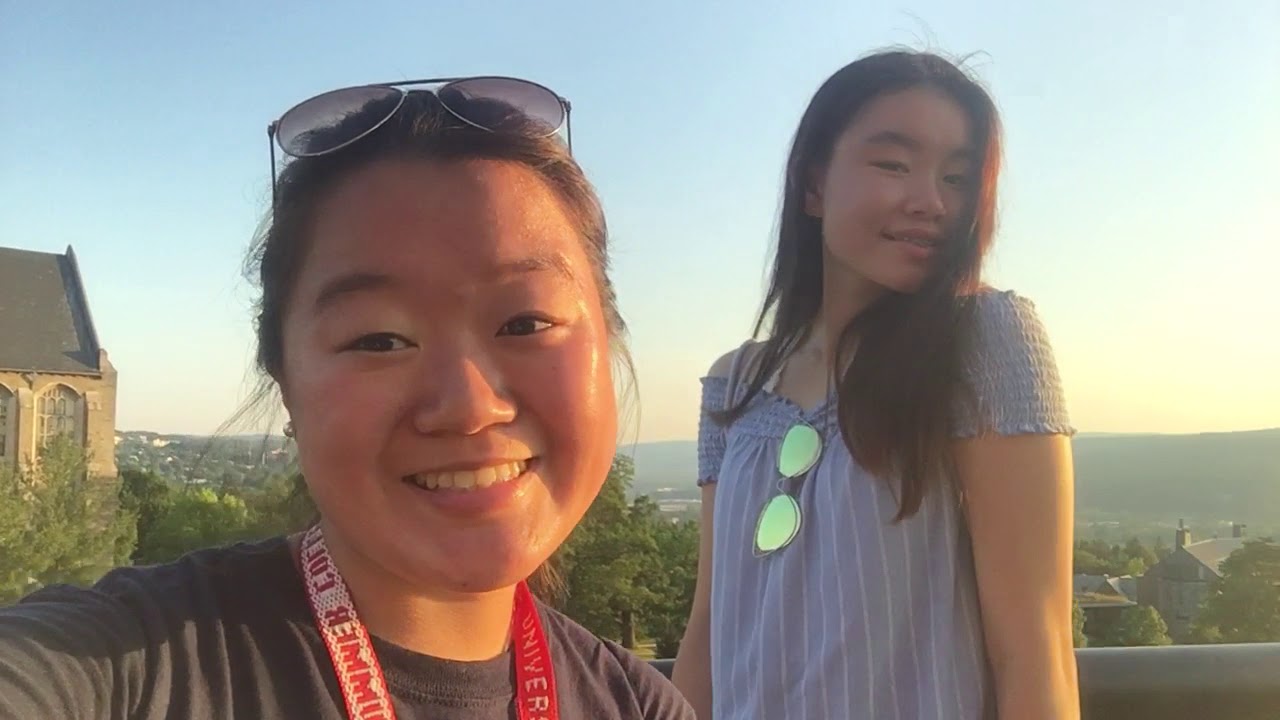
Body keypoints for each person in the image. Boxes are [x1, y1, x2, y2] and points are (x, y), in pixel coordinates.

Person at [0, 77, 694, 720]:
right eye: (379, 339)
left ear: (612, 344)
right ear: (286, 383)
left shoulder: (638, 704)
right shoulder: (115, 667)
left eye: (525, 323)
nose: (467, 405)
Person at [672, 51, 1079, 719]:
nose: (931, 202)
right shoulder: (734, 383)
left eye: (956, 176)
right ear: (813, 185)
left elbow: (1035, 650)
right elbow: (709, 632)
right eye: (894, 164)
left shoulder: (985, 340)